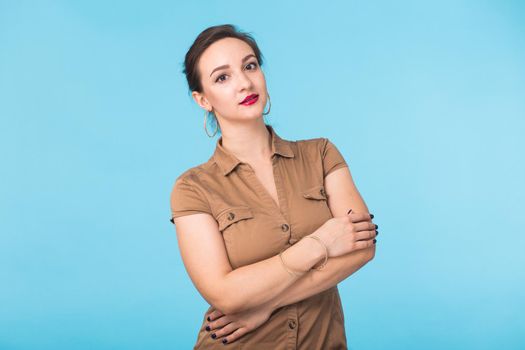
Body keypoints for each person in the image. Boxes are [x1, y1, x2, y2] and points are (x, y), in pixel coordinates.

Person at [170, 24, 378, 349]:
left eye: (249, 65)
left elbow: (362, 246)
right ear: (202, 100)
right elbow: (226, 295)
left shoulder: (321, 154)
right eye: (222, 77)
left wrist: (265, 305)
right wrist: (321, 241)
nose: (244, 83)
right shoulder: (193, 189)